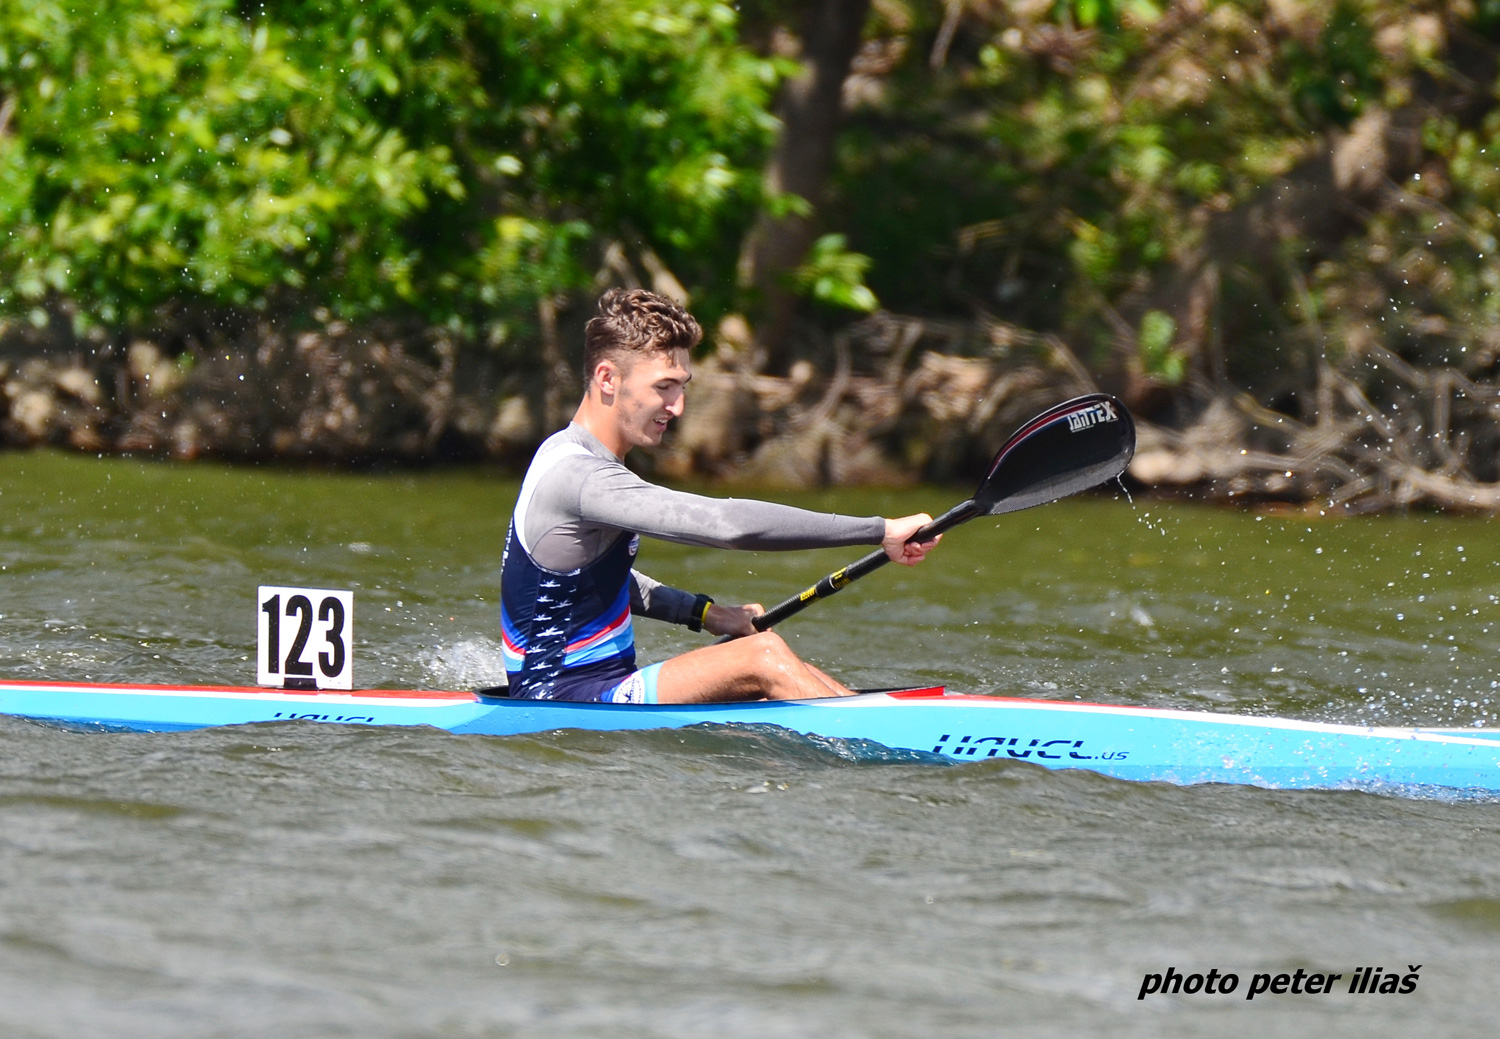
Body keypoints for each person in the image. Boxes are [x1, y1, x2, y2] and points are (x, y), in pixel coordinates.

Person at [500, 289, 939, 704]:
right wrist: (879, 530)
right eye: (664, 387)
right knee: (762, 658)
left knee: (775, 658)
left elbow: (591, 579)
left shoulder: (567, 453)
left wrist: (705, 613)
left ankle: (890, 721)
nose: (678, 407)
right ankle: (894, 738)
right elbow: (728, 526)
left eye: (682, 386)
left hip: (602, 687)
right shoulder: (580, 476)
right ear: (608, 378)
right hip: (562, 697)